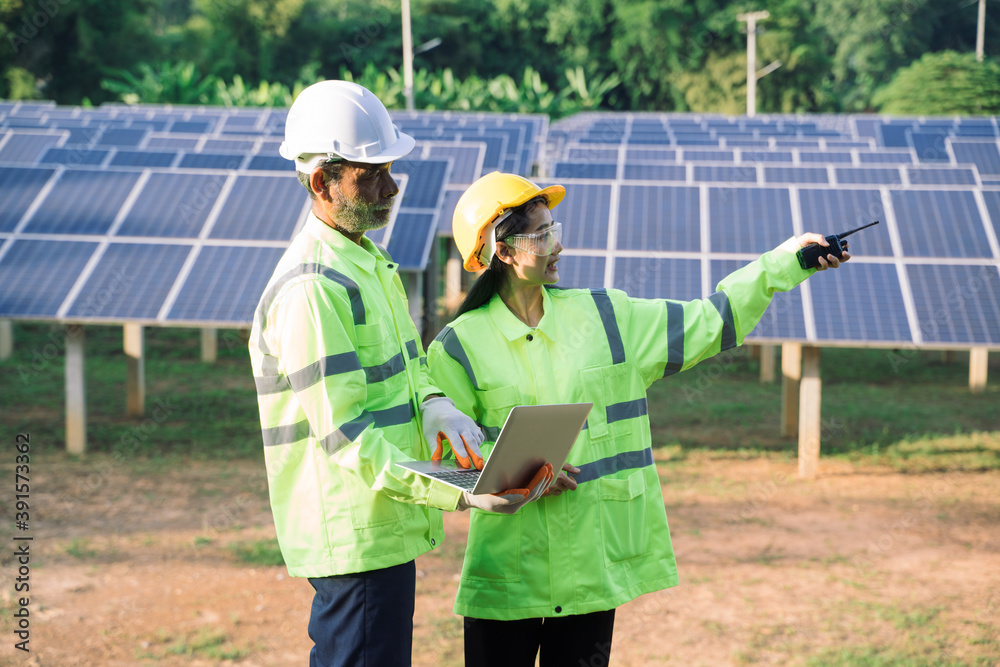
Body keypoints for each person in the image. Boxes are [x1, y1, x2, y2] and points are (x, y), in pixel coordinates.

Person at [425, 171, 851, 667]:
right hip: (506, 575)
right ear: (503, 251)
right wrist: (510, 478)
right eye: (543, 236)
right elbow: (436, 460)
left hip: (591, 570)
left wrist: (786, 262)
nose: (557, 246)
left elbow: (707, 322)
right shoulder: (456, 348)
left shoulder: (607, 316)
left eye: (554, 229)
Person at [247, 83, 552, 667]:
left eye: (389, 169)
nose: (391, 187)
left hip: (381, 524)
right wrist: (459, 489)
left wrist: (437, 404)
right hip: (354, 532)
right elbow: (349, 438)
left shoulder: (367, 265)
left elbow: (410, 375)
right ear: (321, 182)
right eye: (371, 174)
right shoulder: (315, 288)